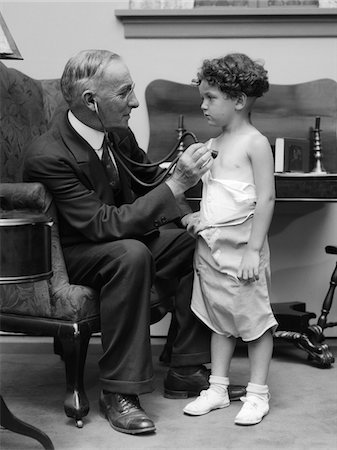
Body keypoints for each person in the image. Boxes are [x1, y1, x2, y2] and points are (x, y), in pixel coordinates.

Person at [23, 50, 245, 435]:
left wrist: (190, 218)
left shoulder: (118, 135)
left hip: (123, 239)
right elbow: (100, 224)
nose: (135, 101)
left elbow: (147, 184)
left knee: (199, 243)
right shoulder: (50, 155)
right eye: (125, 92)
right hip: (74, 252)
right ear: (91, 101)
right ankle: (119, 393)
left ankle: (185, 366)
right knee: (131, 253)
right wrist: (178, 183)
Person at [182, 53, 278, 426]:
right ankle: (218, 388)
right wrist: (199, 216)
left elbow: (265, 198)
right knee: (218, 319)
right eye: (202, 97)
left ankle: (257, 394)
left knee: (255, 323)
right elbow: (218, 196)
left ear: (238, 100)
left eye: (211, 97)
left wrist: (255, 248)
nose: (203, 105)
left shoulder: (255, 143)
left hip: (243, 250)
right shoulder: (214, 143)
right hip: (212, 250)